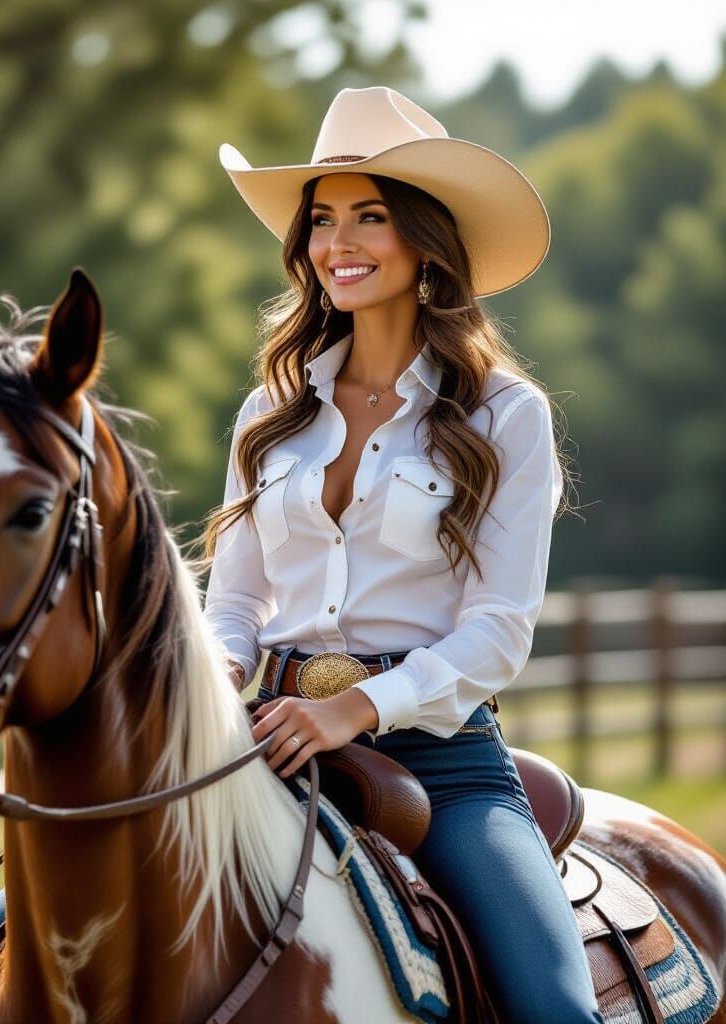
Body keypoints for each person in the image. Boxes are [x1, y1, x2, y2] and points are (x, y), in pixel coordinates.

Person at [202, 85, 602, 1022]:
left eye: (370, 216)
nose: (337, 242)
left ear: (426, 238)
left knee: (558, 1014)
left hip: (445, 761)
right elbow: (234, 601)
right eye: (322, 219)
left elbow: (499, 633)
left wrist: (355, 710)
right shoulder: (270, 414)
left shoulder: (507, 415)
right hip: (263, 740)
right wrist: (218, 673)